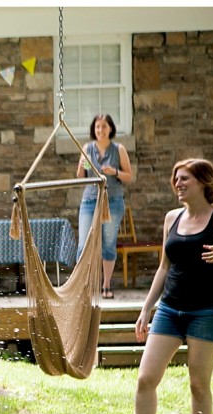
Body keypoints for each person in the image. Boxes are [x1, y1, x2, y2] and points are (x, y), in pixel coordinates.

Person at [109, 159, 213, 414]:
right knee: (146, 378)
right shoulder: (171, 218)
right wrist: (147, 308)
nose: (178, 184)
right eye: (175, 179)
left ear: (203, 182)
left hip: (207, 311)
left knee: (198, 384)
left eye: (184, 178)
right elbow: (164, 266)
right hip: (170, 309)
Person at [75, 113, 133, 299]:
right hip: (89, 201)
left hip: (113, 201)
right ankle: (82, 286)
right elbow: (80, 177)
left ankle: (106, 285)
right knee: (84, 245)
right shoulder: (87, 148)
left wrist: (114, 171)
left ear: (110, 129)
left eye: (104, 126)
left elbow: (129, 176)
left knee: (108, 244)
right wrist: (83, 163)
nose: (100, 130)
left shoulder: (119, 149)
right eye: (98, 126)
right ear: (94, 129)